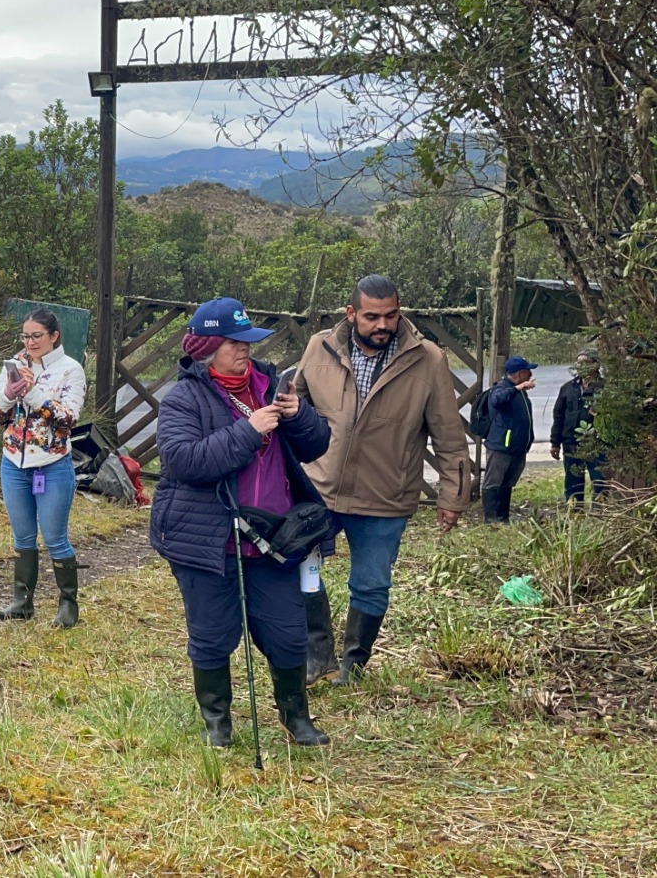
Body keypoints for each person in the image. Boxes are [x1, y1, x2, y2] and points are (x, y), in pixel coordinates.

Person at [150, 297, 333, 747]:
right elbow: (183, 460)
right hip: (208, 541)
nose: (245, 350)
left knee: (288, 635)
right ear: (208, 347)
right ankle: (218, 722)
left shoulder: (270, 385)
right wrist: (248, 431)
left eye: (247, 341)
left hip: (274, 539)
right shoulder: (183, 398)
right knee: (212, 636)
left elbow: (316, 446)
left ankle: (296, 718)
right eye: (234, 342)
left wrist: (299, 415)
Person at [294, 274, 472, 686]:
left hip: (384, 496)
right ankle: (315, 654)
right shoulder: (319, 347)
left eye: (391, 315)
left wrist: (453, 497)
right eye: (372, 316)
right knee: (300, 567)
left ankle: (352, 667)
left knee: (371, 583)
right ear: (351, 314)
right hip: (318, 488)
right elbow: (294, 409)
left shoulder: (427, 359)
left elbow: (449, 434)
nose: (383, 325)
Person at [0, 309, 88, 627]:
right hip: (14, 462)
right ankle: (22, 602)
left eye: (36, 336)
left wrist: (31, 393)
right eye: (25, 336)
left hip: (52, 464)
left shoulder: (71, 370)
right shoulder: (14, 365)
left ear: (54, 336)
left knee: (55, 536)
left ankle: (68, 605)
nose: (29, 342)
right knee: (23, 537)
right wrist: (8, 395)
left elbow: (68, 418)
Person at [481, 355, 538, 523]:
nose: (530, 374)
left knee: (507, 483)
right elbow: (497, 400)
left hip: (517, 448)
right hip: (501, 446)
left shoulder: (519, 392)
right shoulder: (502, 388)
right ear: (519, 374)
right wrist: (518, 388)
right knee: (494, 482)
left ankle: (503, 517)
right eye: (528, 371)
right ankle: (491, 519)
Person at [550, 349, 605, 503]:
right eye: (578, 362)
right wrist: (555, 443)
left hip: (597, 444)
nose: (580, 366)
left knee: (599, 481)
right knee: (573, 482)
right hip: (571, 443)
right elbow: (558, 416)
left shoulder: (604, 388)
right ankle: (574, 513)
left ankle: (600, 514)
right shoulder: (568, 388)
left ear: (596, 365)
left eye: (585, 362)